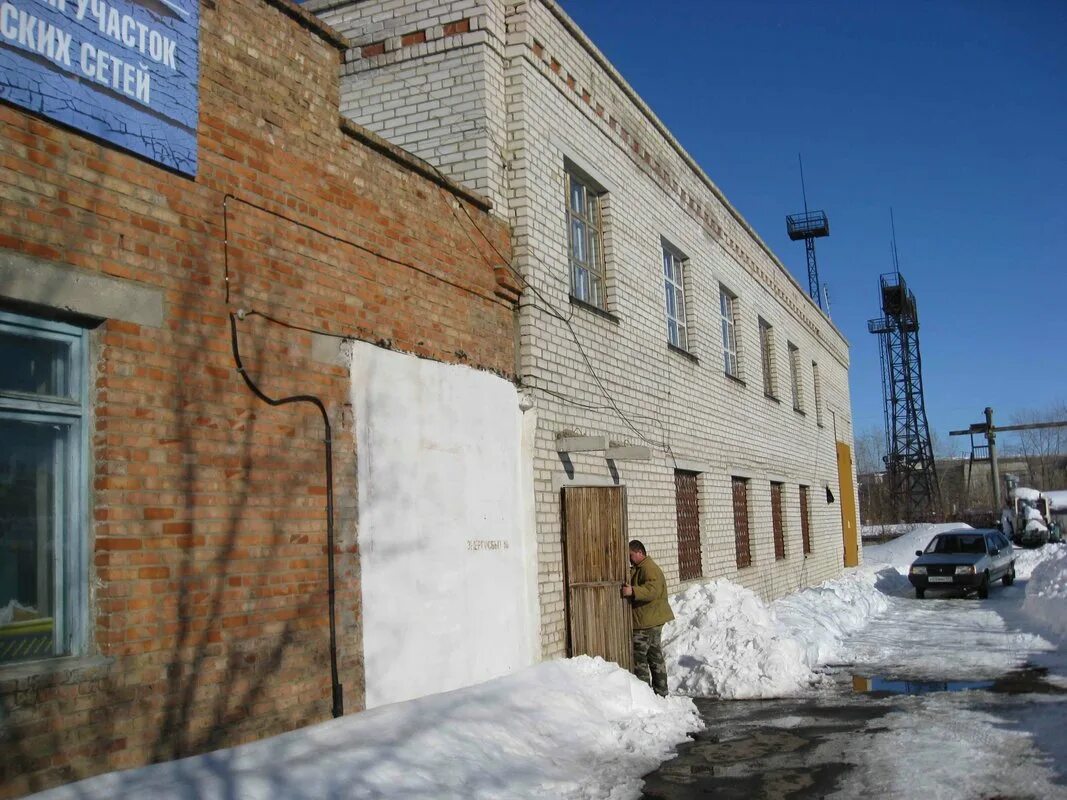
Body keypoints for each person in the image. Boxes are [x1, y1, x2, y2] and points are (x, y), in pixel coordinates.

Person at [620, 539, 673, 696]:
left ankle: (645, 694)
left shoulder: (649, 569)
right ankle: (661, 693)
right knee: (655, 657)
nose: (629, 559)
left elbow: (652, 590)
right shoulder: (641, 567)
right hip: (651, 620)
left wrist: (633, 591)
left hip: (646, 622)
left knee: (640, 658)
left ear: (639, 553)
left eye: (630, 555)